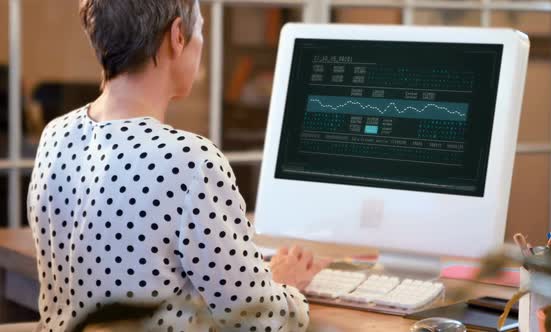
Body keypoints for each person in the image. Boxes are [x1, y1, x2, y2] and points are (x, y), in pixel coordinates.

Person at [26, 1, 328, 331]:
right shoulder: (188, 160)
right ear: (177, 36)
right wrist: (285, 284)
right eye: (200, 30)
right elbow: (259, 322)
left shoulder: (56, 134)